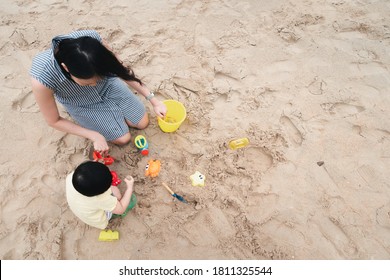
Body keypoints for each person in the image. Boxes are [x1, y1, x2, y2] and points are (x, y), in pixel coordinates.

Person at [30, 30, 166, 153]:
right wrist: (93, 135)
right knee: (123, 139)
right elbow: (53, 121)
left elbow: (121, 71)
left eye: (98, 77)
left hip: (108, 85)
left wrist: (154, 101)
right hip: (80, 102)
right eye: (87, 82)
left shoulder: (93, 42)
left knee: (142, 123)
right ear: (66, 68)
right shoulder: (42, 76)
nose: (93, 84)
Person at [66, 161, 135, 229]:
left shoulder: (71, 177)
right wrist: (129, 188)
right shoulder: (100, 199)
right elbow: (121, 210)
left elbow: (90, 172)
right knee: (117, 193)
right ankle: (113, 214)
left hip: (80, 209)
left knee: (112, 189)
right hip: (98, 220)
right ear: (101, 192)